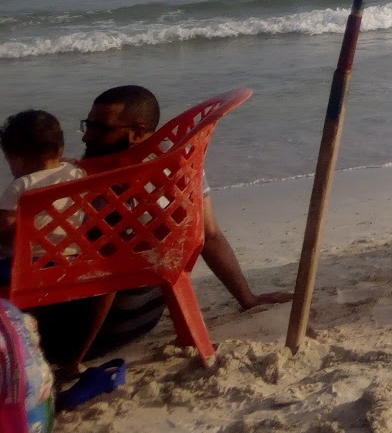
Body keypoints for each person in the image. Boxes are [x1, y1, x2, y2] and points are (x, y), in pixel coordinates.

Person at [30, 87, 290, 369]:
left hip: (83, 335)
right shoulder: (181, 169)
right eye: (88, 124)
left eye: (100, 128)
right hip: (145, 317)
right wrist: (247, 298)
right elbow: (210, 234)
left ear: (138, 132)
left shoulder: (103, 185)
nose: (86, 135)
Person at [1, 110, 87, 283]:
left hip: (28, 265)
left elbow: (4, 224)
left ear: (16, 159)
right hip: (72, 257)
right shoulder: (77, 173)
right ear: (60, 148)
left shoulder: (21, 185)